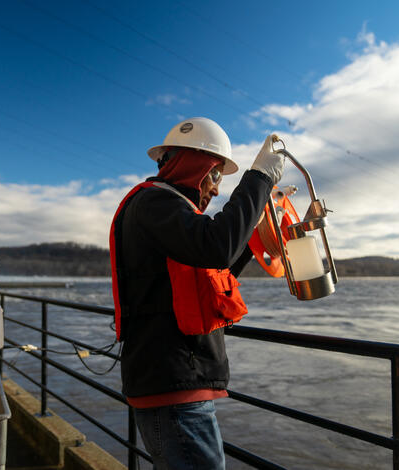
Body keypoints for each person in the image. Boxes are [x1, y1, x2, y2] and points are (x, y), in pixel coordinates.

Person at [109, 117, 284, 469]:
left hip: (174, 385)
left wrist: (258, 233)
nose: (217, 189)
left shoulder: (165, 213)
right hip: (174, 389)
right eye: (217, 174)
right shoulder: (155, 205)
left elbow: (214, 270)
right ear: (193, 165)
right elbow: (216, 247)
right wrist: (260, 179)